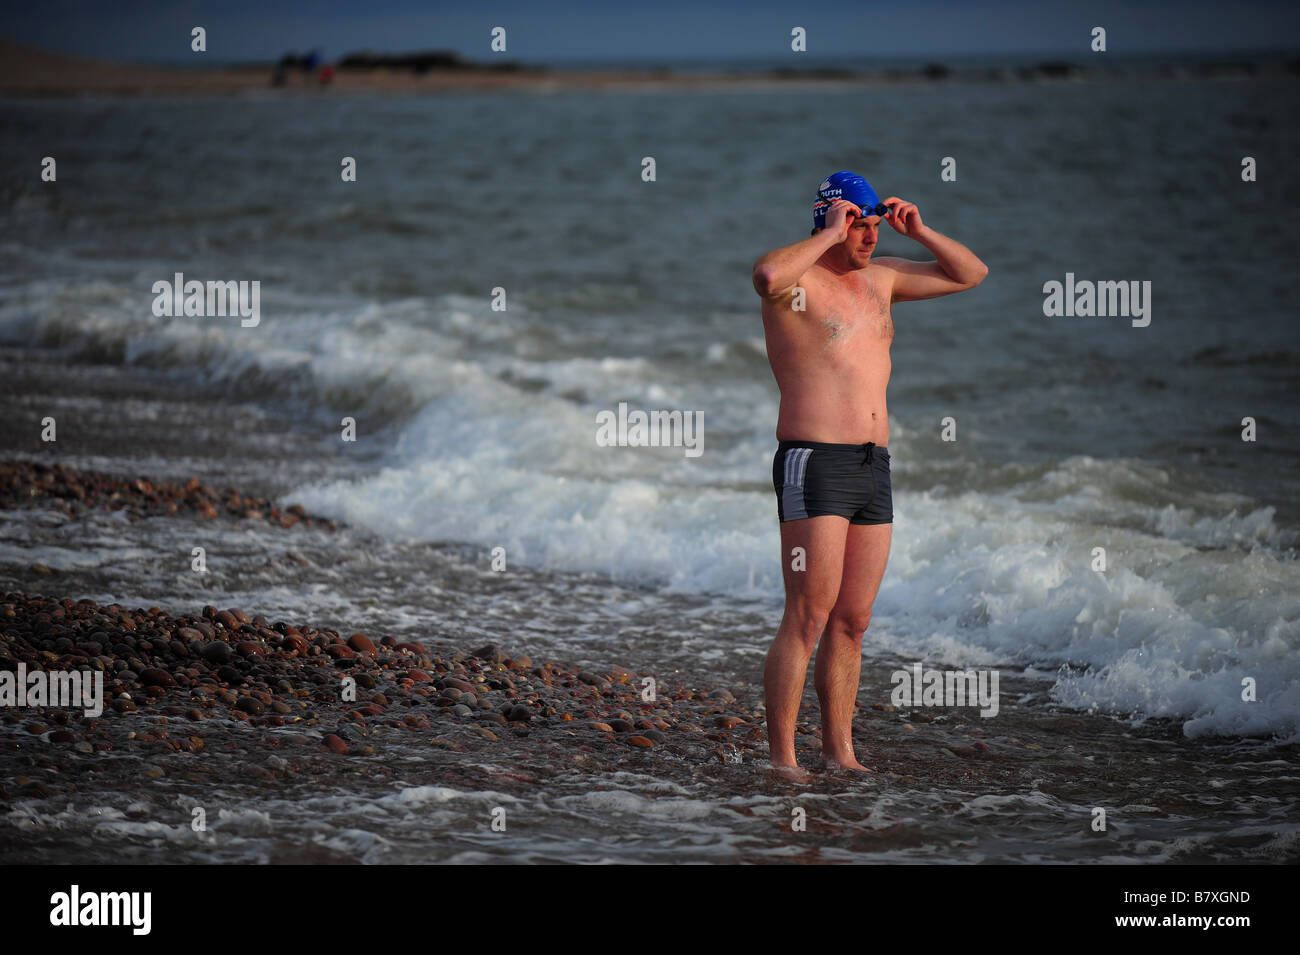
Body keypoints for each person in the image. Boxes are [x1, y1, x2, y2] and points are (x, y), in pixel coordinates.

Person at [752, 170, 988, 777]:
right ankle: (782, 760)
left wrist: (922, 229)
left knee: (852, 621)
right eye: (860, 225)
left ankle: (840, 752)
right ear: (833, 220)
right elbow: (767, 276)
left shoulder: (882, 281)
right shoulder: (798, 283)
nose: (870, 239)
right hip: (815, 460)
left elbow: (971, 274)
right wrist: (831, 232)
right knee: (807, 615)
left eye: (875, 226)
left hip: (871, 465)